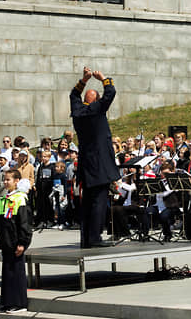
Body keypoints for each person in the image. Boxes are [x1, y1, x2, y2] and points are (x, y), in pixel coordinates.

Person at [69, 66, 120, 248]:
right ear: (96, 100)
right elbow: (110, 93)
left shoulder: (77, 112)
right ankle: (95, 237)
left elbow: (73, 96)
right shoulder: (97, 110)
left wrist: (83, 80)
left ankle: (86, 237)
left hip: (86, 164)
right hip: (100, 164)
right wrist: (102, 78)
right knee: (98, 201)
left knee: (88, 202)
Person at [0, 169, 32, 313]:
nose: (5, 182)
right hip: (6, 242)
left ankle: (20, 303)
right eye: (4, 179)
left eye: (8, 179)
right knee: (7, 273)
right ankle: (7, 302)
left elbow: (24, 223)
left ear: (17, 181)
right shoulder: (5, 198)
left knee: (17, 273)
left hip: (16, 242)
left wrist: (23, 243)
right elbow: (2, 222)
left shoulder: (20, 198)